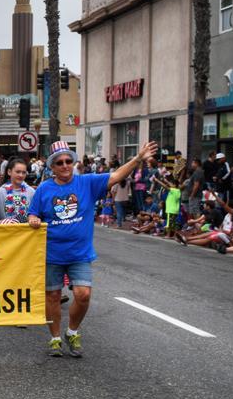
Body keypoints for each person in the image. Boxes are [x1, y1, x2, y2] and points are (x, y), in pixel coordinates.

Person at [28, 140, 158, 357]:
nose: (65, 165)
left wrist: (137, 159)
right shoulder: (44, 188)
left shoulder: (87, 183)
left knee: (83, 294)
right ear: (52, 166)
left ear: (74, 162)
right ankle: (55, 338)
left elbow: (116, 176)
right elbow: (34, 213)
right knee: (52, 296)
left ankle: (72, 332)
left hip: (80, 254)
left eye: (69, 160)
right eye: (59, 162)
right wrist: (33, 218)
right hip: (52, 254)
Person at [0, 158, 34, 224]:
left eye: (24, 172)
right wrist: (2, 223)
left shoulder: (31, 192)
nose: (21, 175)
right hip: (5, 233)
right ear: (9, 172)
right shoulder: (0, 192)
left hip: (26, 234)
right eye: (18, 172)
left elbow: (37, 215)